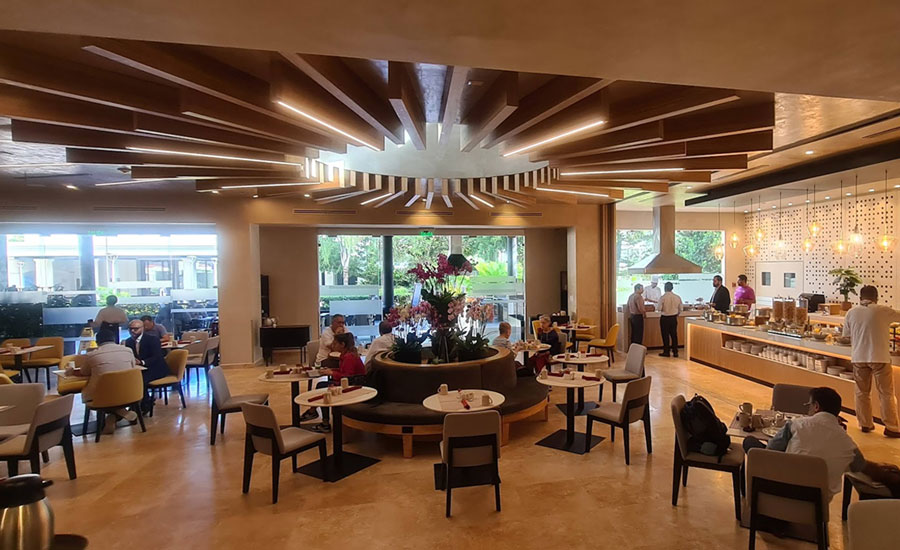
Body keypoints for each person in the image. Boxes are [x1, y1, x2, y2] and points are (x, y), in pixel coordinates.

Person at [743, 387, 865, 499]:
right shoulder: (848, 443)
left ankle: (747, 495)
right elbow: (859, 466)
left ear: (816, 406)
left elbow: (770, 450)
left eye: (809, 405)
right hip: (817, 505)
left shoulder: (796, 424)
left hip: (780, 493)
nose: (808, 409)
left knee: (750, 442)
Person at [842, 285, 900, 437]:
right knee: (886, 393)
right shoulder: (882, 310)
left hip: (859, 358)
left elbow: (846, 336)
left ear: (860, 298)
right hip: (880, 357)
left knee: (861, 393)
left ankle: (865, 424)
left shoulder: (851, 312)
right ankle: (891, 427)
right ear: (876, 298)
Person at [81, 329, 139, 432]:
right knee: (113, 397)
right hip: (128, 393)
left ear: (97, 342)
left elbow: (84, 372)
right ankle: (120, 412)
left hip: (101, 395)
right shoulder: (128, 350)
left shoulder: (92, 355)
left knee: (99, 396)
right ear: (114, 339)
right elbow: (133, 367)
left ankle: (115, 414)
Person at [310, 332, 366, 433]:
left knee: (322, 387)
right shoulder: (347, 355)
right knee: (322, 386)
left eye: (335, 343)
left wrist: (332, 373)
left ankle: (322, 420)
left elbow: (347, 377)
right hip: (352, 382)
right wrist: (331, 370)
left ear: (342, 344)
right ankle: (314, 412)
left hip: (353, 386)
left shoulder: (349, 357)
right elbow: (344, 372)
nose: (333, 345)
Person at [123, 319, 170, 412]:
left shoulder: (152, 339)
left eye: (135, 329)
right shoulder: (128, 341)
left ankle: (144, 405)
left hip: (156, 368)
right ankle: (134, 403)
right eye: (130, 329)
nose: (132, 331)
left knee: (141, 379)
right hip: (140, 369)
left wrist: (142, 362)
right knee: (129, 378)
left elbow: (157, 357)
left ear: (142, 328)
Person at [658, 282, 682, 357]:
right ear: (672, 288)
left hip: (665, 318)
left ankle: (666, 351)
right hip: (673, 318)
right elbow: (680, 309)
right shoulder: (677, 297)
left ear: (665, 288)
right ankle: (675, 352)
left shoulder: (662, 297)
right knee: (674, 335)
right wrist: (676, 314)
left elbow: (659, 308)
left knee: (665, 335)